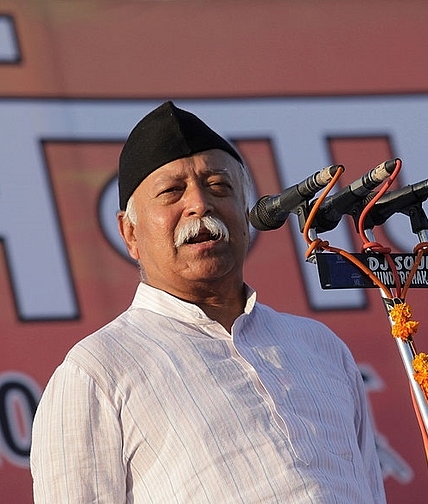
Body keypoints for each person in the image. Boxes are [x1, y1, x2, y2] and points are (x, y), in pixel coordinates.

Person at [30, 101, 386, 503]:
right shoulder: (98, 372)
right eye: (172, 192)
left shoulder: (319, 348)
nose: (200, 204)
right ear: (130, 233)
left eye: (219, 186)